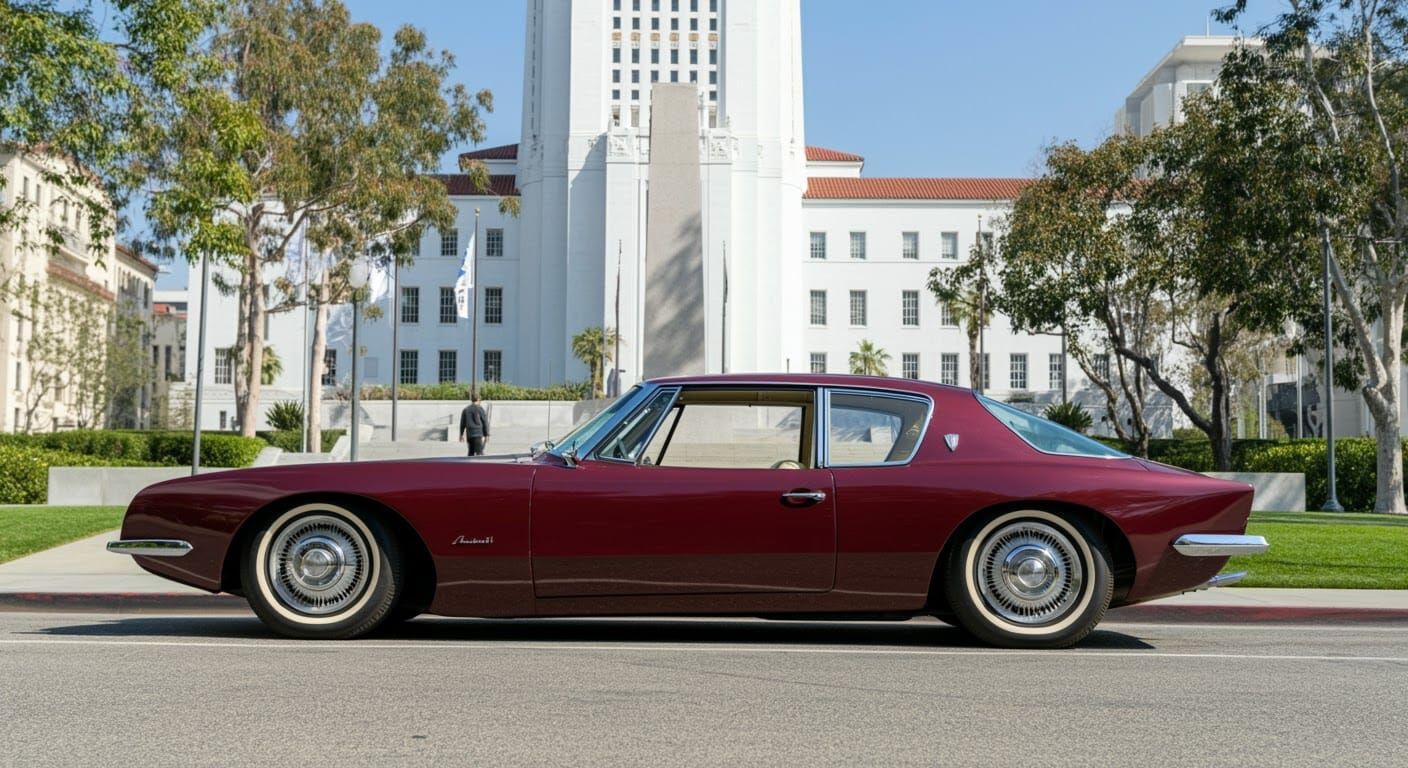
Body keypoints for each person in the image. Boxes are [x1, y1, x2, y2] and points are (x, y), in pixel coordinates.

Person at [458, 391, 490, 456]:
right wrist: (486, 434)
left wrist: (461, 435)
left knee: (471, 452)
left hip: (469, 434)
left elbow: (462, 423)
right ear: (478, 399)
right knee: (479, 453)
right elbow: (484, 422)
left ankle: (470, 465)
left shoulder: (466, 409)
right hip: (478, 434)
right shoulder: (480, 409)